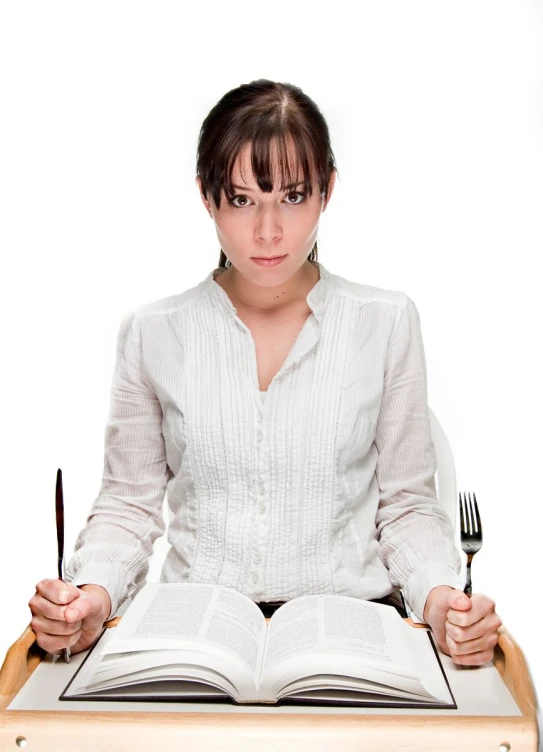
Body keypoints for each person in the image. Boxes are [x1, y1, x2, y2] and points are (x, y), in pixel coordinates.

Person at [28, 79, 501, 667]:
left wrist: (442, 602)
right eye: (243, 200)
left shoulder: (385, 323)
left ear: (328, 190)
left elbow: (406, 505)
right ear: (207, 197)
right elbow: (129, 505)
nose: (269, 231)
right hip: (194, 633)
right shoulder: (155, 333)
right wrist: (89, 598)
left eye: (293, 197)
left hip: (352, 631)